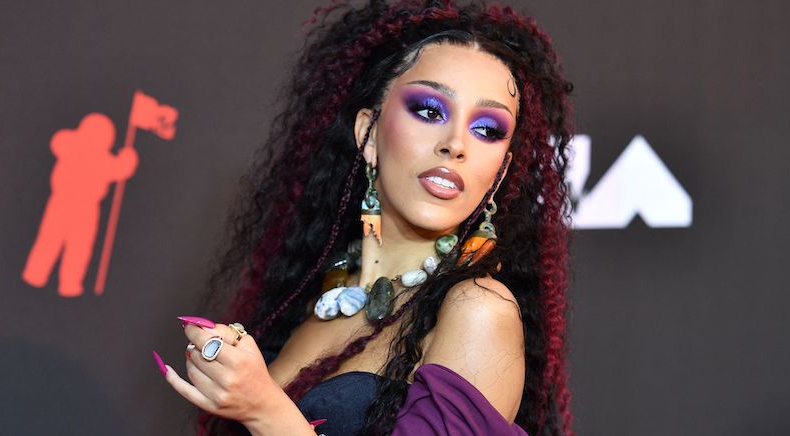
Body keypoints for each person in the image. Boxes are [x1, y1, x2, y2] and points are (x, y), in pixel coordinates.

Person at [153, 1, 575, 434]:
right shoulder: (320, 300)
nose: (455, 144)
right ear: (368, 134)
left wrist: (264, 409)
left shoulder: (478, 310)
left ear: (500, 172)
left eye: (486, 129)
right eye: (430, 110)